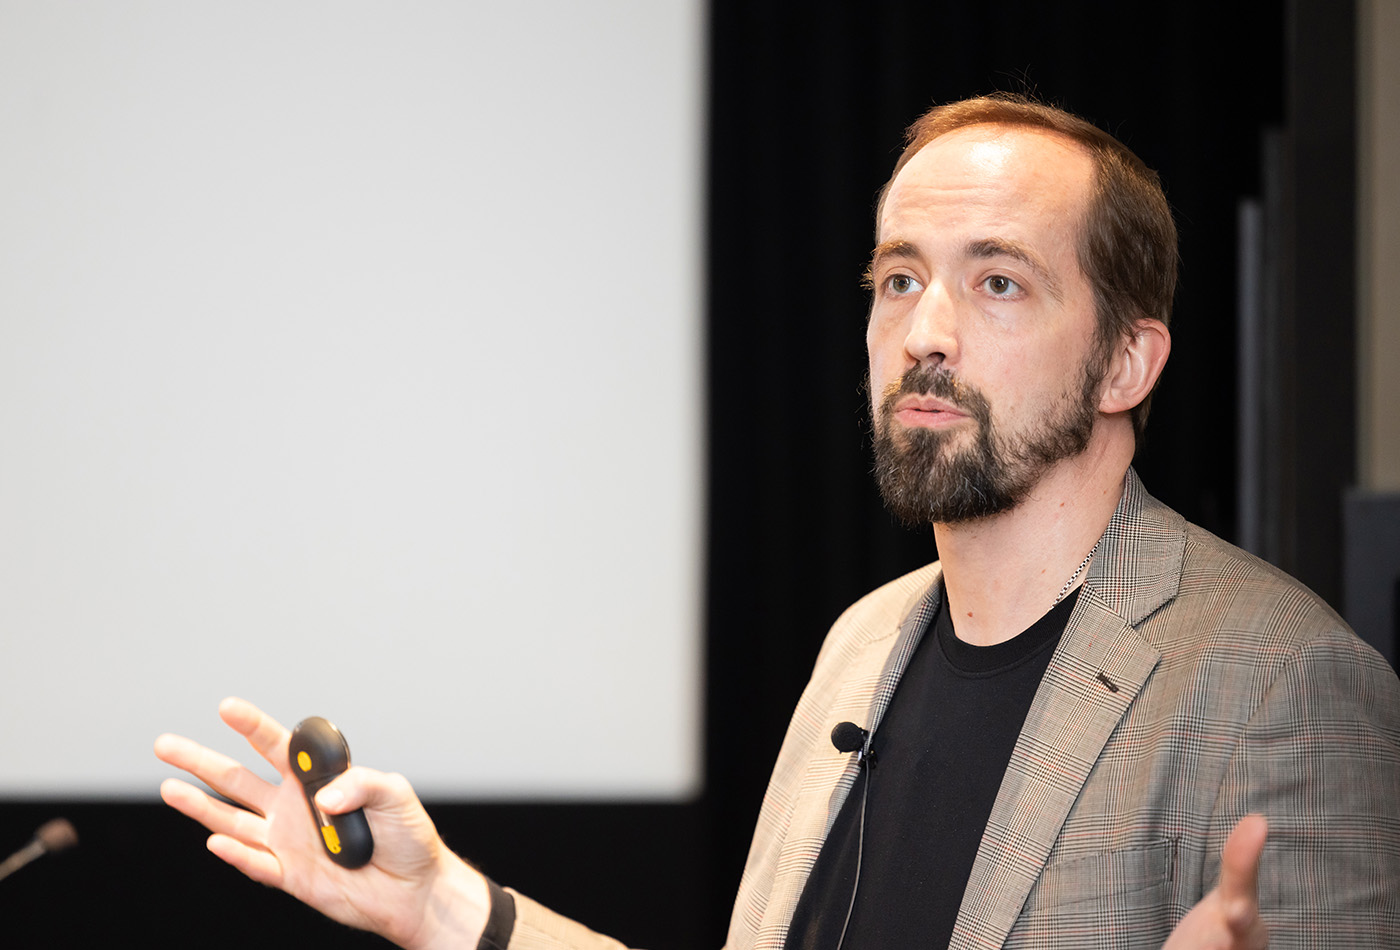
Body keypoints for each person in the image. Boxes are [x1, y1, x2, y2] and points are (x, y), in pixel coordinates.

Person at [155, 94, 1400, 949]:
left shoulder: (1279, 682)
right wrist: (444, 908)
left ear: (1127, 361)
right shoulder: (864, 643)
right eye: (898, 277)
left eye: (997, 281)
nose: (923, 332)